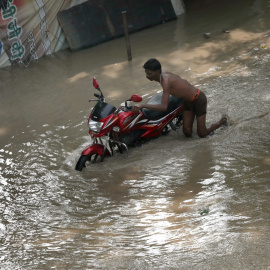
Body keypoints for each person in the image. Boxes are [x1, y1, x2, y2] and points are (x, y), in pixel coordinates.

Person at [132, 58, 227, 138]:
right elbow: (182, 81)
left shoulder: (165, 82)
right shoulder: (164, 75)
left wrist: (143, 105)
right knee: (187, 131)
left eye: (149, 73)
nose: (147, 76)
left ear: (157, 72)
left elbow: (164, 107)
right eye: (146, 73)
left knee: (202, 134)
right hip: (188, 101)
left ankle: (223, 121)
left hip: (198, 99)